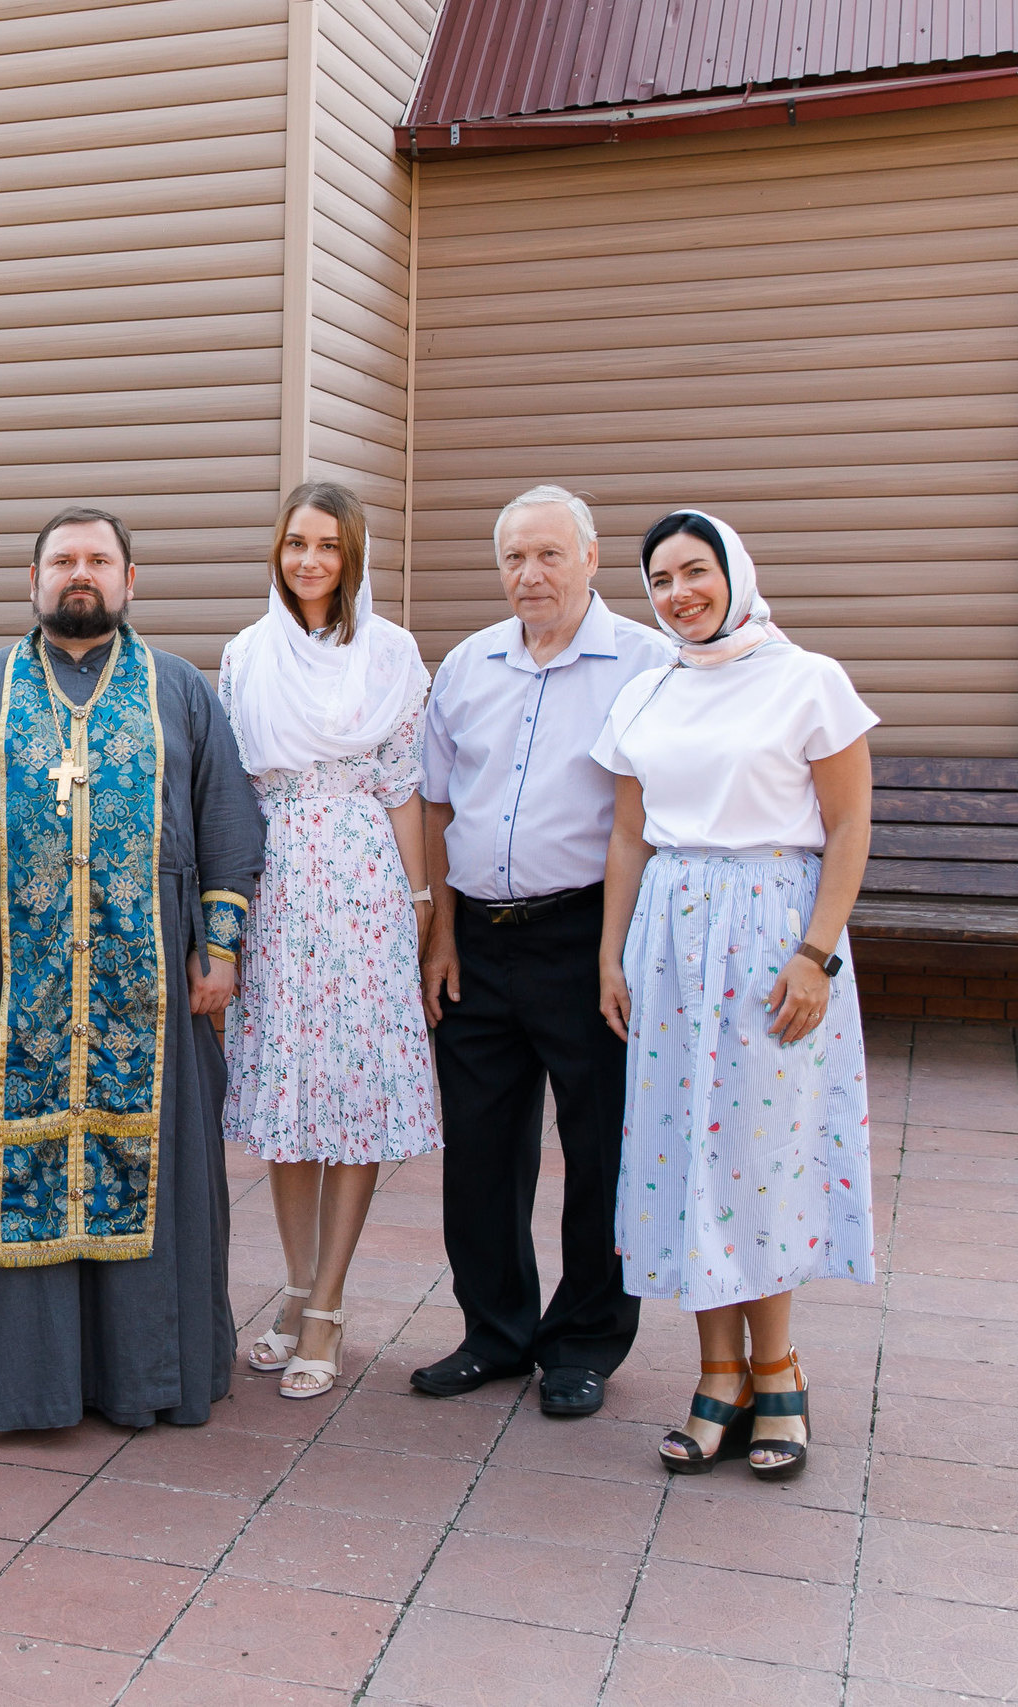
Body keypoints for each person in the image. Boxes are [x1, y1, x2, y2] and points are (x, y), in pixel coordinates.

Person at [0, 507, 265, 1431]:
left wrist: (220, 946)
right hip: (5, 977)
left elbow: (228, 821)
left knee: (157, 1164)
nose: (82, 573)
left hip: (150, 981)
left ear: (129, 580)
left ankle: (141, 1374)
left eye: (100, 560)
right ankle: (16, 1379)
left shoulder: (179, 688)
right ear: (32, 579)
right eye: (63, 560)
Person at [594, 509, 876, 1481]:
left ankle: (778, 1367)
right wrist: (611, 956)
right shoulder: (647, 693)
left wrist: (815, 955)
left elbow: (848, 826)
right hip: (672, 936)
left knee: (762, 1154)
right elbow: (627, 834)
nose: (679, 594)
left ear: (734, 573)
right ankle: (718, 1372)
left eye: (695, 571)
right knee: (683, 1153)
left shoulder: (808, 680)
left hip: (770, 932)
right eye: (661, 580)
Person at [412, 487, 675, 1418]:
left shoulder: (646, 664)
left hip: (587, 936)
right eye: (515, 557)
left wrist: (619, 953)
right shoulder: (467, 665)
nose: (530, 574)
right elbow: (438, 804)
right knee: (480, 1151)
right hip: (479, 940)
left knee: (600, 1148)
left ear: (591, 558)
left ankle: (584, 1342)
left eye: (549, 555)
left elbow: (654, 815)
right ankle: (495, 1332)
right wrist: (440, 937)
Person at [219, 482, 439, 1402]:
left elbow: (404, 786)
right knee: (286, 1094)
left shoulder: (391, 652)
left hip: (360, 883)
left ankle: (331, 1304)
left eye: (327, 545)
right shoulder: (246, 653)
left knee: (349, 1088)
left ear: (352, 556)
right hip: (275, 881)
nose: (309, 560)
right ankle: (297, 1281)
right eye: (295, 543)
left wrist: (420, 902)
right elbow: (231, 784)